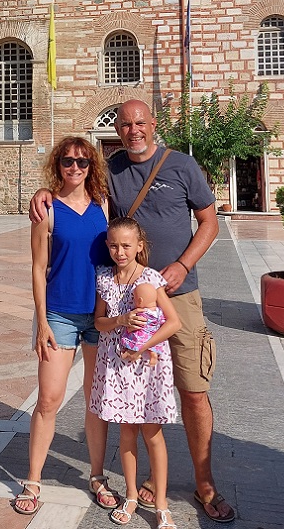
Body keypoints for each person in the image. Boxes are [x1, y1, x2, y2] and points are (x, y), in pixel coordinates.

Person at [30, 99, 235, 523]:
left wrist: (182, 265)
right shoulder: (111, 169)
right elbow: (76, 190)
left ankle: (204, 482)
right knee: (132, 394)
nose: (133, 130)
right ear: (118, 129)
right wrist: (45, 191)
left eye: (141, 122)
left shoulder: (181, 165)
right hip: (126, 301)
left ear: (153, 124)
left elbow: (210, 221)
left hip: (179, 294)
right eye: (125, 124)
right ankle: (134, 483)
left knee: (194, 392)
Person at [14, 136, 118, 516]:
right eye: (68, 162)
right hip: (58, 314)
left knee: (96, 400)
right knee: (48, 399)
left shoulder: (104, 205)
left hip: (99, 315)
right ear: (57, 165)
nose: (75, 168)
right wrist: (41, 322)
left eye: (83, 162)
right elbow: (38, 269)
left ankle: (96, 476)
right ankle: (33, 479)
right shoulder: (47, 210)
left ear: (92, 166)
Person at [90, 217, 180, 527]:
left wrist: (143, 347)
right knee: (126, 432)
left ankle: (162, 504)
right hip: (116, 366)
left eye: (127, 245)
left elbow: (173, 322)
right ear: (107, 246)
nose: (120, 251)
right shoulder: (105, 279)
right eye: (114, 245)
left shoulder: (151, 279)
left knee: (152, 433)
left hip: (147, 366)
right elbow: (98, 322)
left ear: (139, 246)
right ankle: (130, 495)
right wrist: (121, 320)